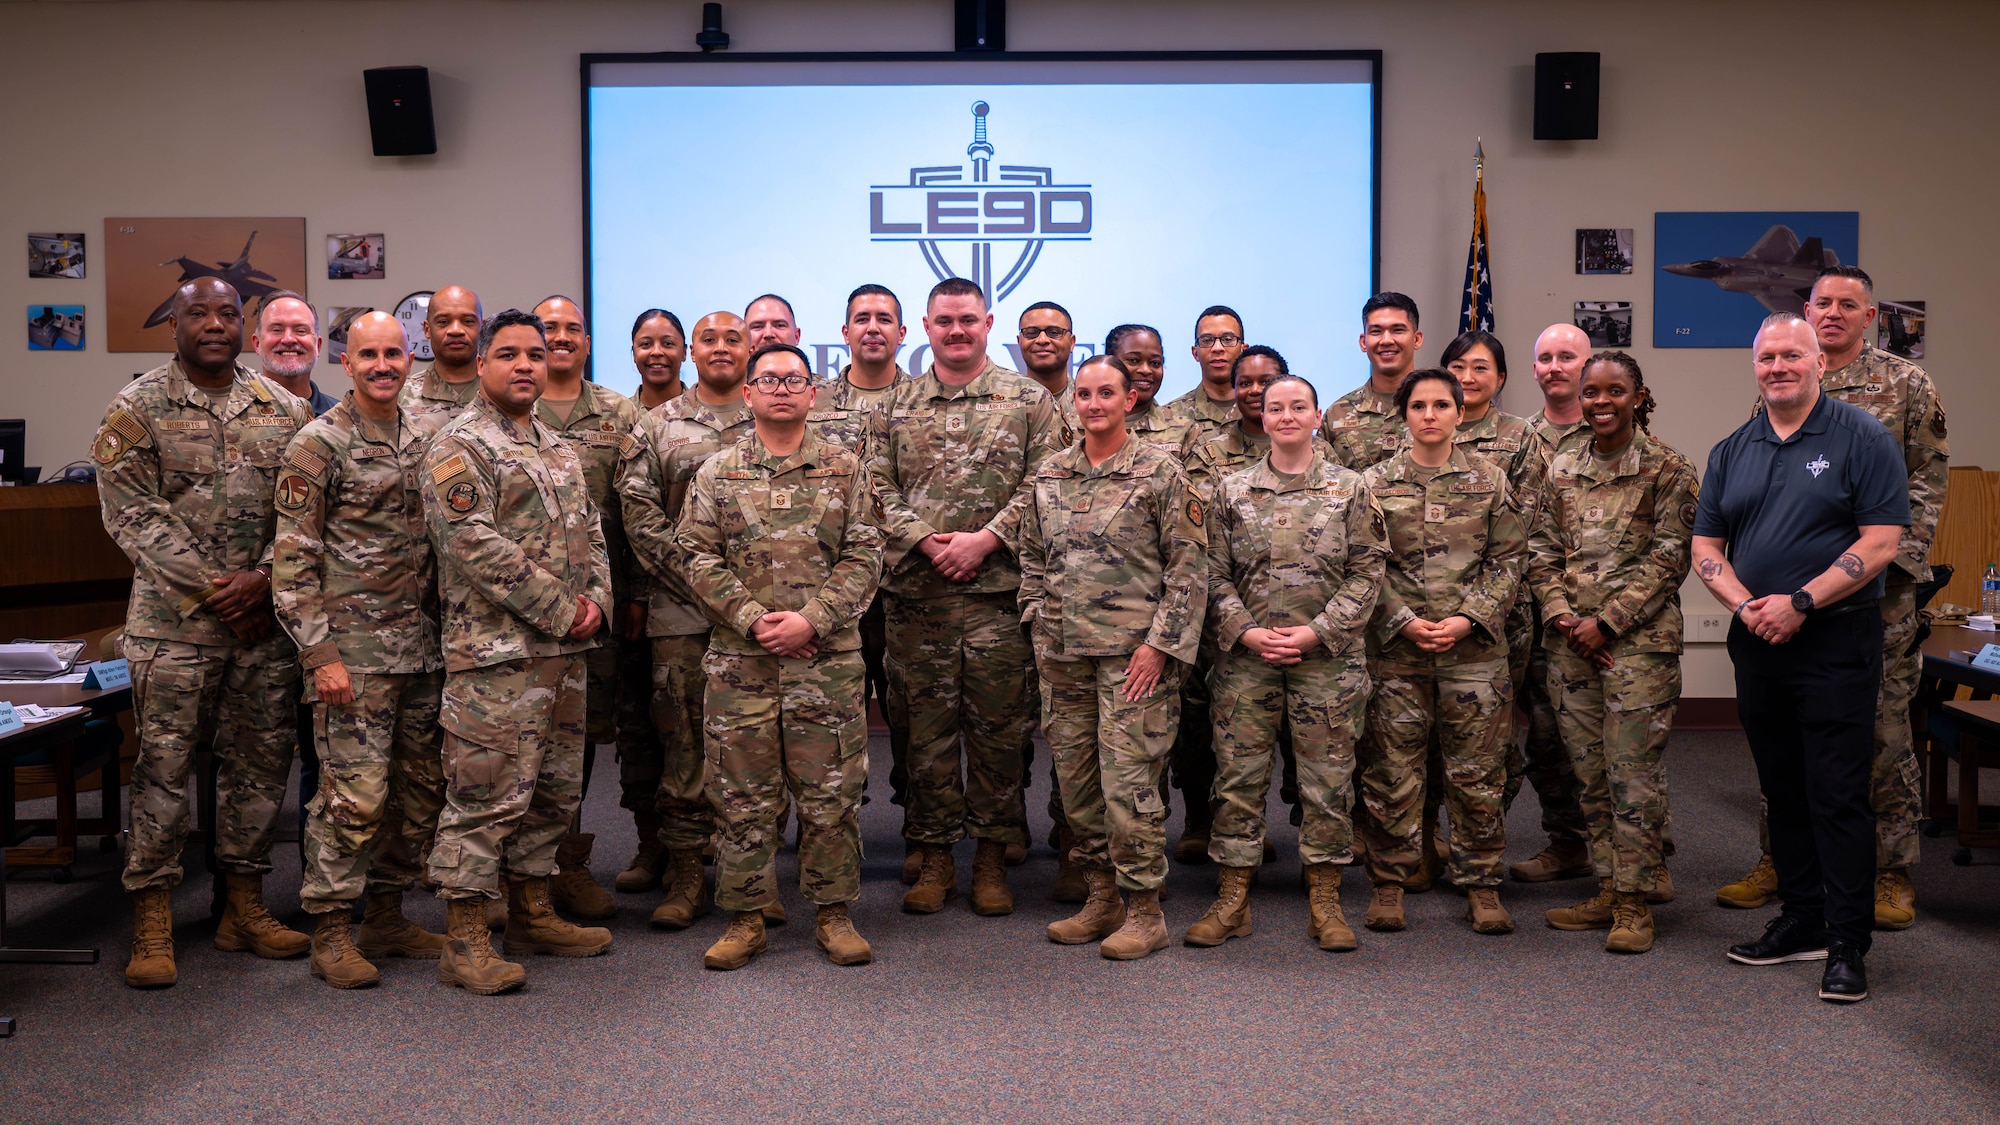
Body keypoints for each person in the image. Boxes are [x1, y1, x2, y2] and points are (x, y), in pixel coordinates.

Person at [1714, 267, 1948, 931]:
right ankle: (1783, 864)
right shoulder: (1781, 381)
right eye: (1823, 303)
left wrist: (1886, 569)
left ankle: (1891, 869)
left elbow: (1927, 485)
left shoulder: (1905, 385)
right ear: (1807, 310)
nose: (1834, 313)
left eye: (1849, 304)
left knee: (1881, 728)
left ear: (1869, 315)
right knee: (1783, 734)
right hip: (1787, 594)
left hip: (1877, 594)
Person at [97, 277, 315, 989]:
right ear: (175, 325)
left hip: (262, 625)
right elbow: (133, 514)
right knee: (162, 770)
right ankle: (153, 913)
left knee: (259, 768)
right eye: (200, 313)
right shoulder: (138, 408)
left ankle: (243, 905)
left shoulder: (285, 409)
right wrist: (218, 592)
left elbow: (307, 515)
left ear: (243, 326)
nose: (215, 324)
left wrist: (263, 577)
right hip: (175, 628)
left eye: (228, 313)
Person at [1693, 312, 1909, 1004]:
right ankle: (1802, 918)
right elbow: (1706, 548)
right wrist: (1746, 605)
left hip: (1834, 638)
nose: (1778, 366)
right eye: (1766, 357)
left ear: (1821, 361)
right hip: (1756, 637)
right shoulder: (1733, 447)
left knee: (1837, 793)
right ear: (1753, 365)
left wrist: (1800, 602)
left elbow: (1880, 543)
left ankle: (1847, 942)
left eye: (1792, 354)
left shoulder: (1860, 437)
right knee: (1781, 788)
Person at [419, 309, 615, 995]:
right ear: (482, 364)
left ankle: (532, 912)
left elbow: (590, 531)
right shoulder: (459, 445)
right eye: (509, 354)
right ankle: (466, 938)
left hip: (563, 656)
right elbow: (472, 545)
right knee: (484, 795)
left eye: (535, 353)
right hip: (496, 657)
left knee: (553, 792)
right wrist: (567, 610)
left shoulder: (557, 446)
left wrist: (599, 603)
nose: (526, 364)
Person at [677, 343, 884, 970]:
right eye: (768, 379)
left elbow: (865, 555)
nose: (782, 389)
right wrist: (751, 618)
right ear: (748, 393)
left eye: (794, 379)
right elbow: (695, 555)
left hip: (825, 661)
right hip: (742, 663)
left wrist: (810, 621)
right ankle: (745, 917)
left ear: (812, 394)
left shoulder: (850, 471)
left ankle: (833, 913)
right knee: (742, 795)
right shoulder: (716, 472)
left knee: (831, 793)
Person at [868, 277, 1060, 917]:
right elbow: (873, 487)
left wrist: (986, 540)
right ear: (925, 326)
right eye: (945, 321)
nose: (956, 331)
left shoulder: (1027, 400)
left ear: (988, 322)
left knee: (999, 737)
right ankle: (933, 859)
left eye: (968, 320)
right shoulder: (895, 404)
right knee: (922, 737)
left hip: (997, 602)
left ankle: (988, 859)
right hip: (917, 603)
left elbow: (1046, 485)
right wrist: (926, 542)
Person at [272, 311, 448, 988]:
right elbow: (292, 562)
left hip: (423, 653)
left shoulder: (431, 433)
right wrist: (322, 658)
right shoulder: (318, 444)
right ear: (344, 361)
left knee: (414, 793)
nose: (382, 364)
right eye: (367, 353)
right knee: (354, 796)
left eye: (394, 353)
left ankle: (388, 915)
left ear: (411, 359)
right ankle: (333, 928)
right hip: (355, 655)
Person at [1020, 355, 1207, 960]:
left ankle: (1144, 909)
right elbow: (1029, 554)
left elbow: (1189, 569)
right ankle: (1100, 896)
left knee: (1129, 786)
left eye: (1107, 393)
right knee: (1077, 786)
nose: (1094, 404)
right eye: (1084, 394)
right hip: (1063, 656)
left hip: (1133, 659)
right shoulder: (1049, 473)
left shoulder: (1160, 472)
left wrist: (1159, 646)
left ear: (1130, 400)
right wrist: (1034, 616)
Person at [1194, 373, 1385, 952]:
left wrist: (1315, 632)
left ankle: (1324, 900)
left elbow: (1368, 571)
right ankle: (1232, 899)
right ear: (1262, 416)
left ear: (1316, 415)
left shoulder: (1350, 489)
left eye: (1297, 406)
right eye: (1275, 407)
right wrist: (1247, 633)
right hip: (1246, 663)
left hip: (1326, 662)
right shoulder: (1229, 491)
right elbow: (1212, 573)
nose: (1285, 416)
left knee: (1327, 783)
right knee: (1237, 782)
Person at [1529, 351, 1698, 955]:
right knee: (1591, 775)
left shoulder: (1668, 468)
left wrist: (1607, 623)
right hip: (1570, 643)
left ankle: (1635, 902)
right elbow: (1540, 551)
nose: (1601, 402)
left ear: (1637, 396)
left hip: (1638, 648)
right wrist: (1563, 617)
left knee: (1632, 775)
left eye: (1614, 391)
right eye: (1592, 392)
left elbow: (1670, 558)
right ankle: (1608, 886)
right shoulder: (1561, 466)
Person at [1358, 368, 1525, 936]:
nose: (1429, 415)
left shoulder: (1490, 480)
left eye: (1441, 405)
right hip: (1396, 654)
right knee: (1391, 773)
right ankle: (1389, 882)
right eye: (1419, 406)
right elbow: (1363, 565)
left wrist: (1465, 619)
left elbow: (1507, 561)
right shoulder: (1373, 484)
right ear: (1402, 415)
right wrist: (1402, 621)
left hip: (1472, 652)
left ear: (1459, 413)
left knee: (1477, 774)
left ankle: (1481, 884)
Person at [616, 311, 763, 929]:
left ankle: (753, 880)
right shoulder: (656, 425)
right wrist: (704, 582)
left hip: (760, 617)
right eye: (710, 339)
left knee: (754, 753)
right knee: (682, 747)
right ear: (692, 352)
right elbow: (638, 512)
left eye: (734, 338)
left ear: (751, 348)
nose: (722, 348)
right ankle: (683, 879)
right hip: (682, 614)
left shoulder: (776, 415)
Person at [533, 295, 650, 922]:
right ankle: (514, 873)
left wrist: (629, 597)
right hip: (511, 611)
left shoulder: (616, 412)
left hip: (592, 606)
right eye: (546, 328)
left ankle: (567, 865)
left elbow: (632, 515)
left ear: (586, 340)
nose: (559, 338)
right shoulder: (500, 409)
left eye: (571, 329)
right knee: (511, 741)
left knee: (577, 739)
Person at [1174, 346, 1284, 863]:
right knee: (1202, 721)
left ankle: (1303, 828)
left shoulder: (1320, 447)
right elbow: (1197, 534)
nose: (1256, 392)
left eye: (1268, 381)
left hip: (1296, 611)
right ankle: (1202, 818)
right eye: (1246, 382)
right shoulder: (1206, 450)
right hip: (1221, 614)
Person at [1507, 323, 1596, 884]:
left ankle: (1644, 854)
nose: (1556, 367)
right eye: (1545, 358)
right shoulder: (1519, 439)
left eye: (1568, 356)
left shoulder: (1614, 428)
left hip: (1603, 617)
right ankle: (1568, 842)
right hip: (1535, 614)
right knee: (1544, 734)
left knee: (1612, 741)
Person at [821, 285, 909, 838]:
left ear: (904, 332)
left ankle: (922, 835)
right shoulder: (814, 401)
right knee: (830, 719)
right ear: (846, 331)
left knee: (913, 717)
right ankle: (826, 830)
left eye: (884, 319)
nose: (873, 327)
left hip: (909, 588)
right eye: (862, 318)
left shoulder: (926, 399)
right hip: (832, 591)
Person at [1321, 293, 1422, 472]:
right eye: (1376, 331)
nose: (1386, 340)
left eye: (1397, 330)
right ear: (1363, 342)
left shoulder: (1439, 407)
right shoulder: (1336, 414)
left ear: (1417, 339)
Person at [1102, 324, 1201, 459]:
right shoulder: (1077, 426)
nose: (1146, 370)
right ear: (1109, 363)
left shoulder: (1185, 432)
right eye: (1133, 360)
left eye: (1155, 363)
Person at [401, 285, 484, 435]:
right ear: (427, 329)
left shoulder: (503, 392)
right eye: (443, 322)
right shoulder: (400, 396)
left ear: (482, 328)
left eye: (468, 321)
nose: (456, 330)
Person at [1165, 306, 1244, 446]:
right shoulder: (1169, 418)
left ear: (1243, 350)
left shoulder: (1265, 410)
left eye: (1227, 339)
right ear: (1195, 353)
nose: (1217, 348)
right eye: (1207, 340)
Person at [250, 290, 338, 416]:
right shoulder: (231, 416)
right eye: (276, 330)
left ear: (318, 346)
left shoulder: (344, 420)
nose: (288, 339)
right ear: (257, 344)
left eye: (301, 330)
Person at [1015, 301, 1076, 403]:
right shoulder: (1000, 403)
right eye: (1031, 333)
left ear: (1072, 342)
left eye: (1054, 332)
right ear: (1019, 342)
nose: (1042, 340)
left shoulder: (1090, 403)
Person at [630, 308, 687, 411]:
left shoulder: (708, 416)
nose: (656, 352)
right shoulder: (617, 417)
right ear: (634, 353)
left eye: (668, 343)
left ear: (684, 353)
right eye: (646, 344)